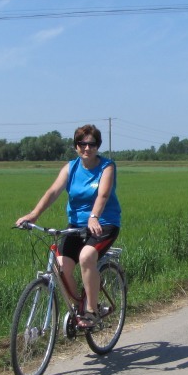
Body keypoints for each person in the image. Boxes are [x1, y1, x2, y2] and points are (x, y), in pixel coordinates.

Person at [16, 124, 122, 329]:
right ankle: (79, 307)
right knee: (61, 266)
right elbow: (53, 192)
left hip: (104, 223)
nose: (87, 148)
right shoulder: (70, 168)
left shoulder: (107, 166)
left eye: (92, 144)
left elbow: (103, 194)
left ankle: (91, 310)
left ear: (98, 146)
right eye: (82, 144)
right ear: (76, 146)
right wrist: (34, 215)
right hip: (76, 226)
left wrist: (94, 217)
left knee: (86, 257)